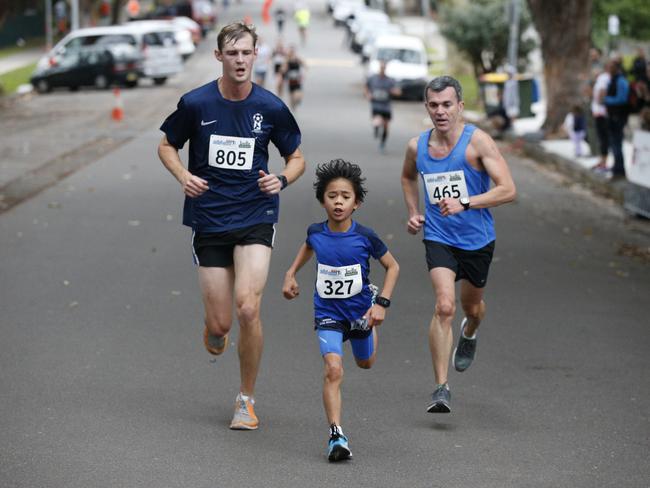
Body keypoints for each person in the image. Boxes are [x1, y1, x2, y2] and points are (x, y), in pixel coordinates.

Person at [157, 22, 306, 431]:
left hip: (256, 215)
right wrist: (182, 175)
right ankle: (214, 328)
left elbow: (297, 157)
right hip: (209, 219)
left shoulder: (272, 108)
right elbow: (167, 144)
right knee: (222, 323)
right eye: (232, 53)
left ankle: (246, 400)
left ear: (256, 54)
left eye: (246, 53)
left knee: (248, 306)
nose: (240, 60)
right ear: (219, 56)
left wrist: (283, 179)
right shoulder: (196, 103)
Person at [400, 76, 516, 414]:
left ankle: (471, 331)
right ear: (427, 107)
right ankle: (441, 387)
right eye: (434, 105)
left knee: (472, 309)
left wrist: (466, 202)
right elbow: (408, 177)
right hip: (438, 237)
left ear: (460, 107)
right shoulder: (416, 147)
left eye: (447, 104)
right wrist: (413, 211)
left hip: (477, 240)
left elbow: (508, 189)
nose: (440, 111)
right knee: (444, 306)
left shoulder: (477, 143)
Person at [282, 159, 399, 462]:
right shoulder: (316, 232)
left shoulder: (365, 236)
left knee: (366, 363)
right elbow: (308, 246)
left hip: (361, 313)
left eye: (345, 197)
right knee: (333, 369)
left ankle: (371, 330)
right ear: (323, 200)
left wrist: (381, 304)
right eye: (332, 195)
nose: (338, 202)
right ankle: (336, 434)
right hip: (328, 314)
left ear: (356, 203)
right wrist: (290, 273)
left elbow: (393, 266)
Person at [365, 60, 402, 152]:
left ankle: (382, 143)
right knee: (377, 120)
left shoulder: (390, 80)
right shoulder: (373, 79)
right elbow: (366, 87)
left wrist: (394, 91)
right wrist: (368, 94)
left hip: (386, 106)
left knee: (386, 126)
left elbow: (398, 92)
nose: (382, 69)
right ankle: (376, 127)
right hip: (376, 105)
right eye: (381, 67)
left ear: (385, 68)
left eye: (384, 67)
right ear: (379, 68)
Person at [604, 58, 630, 180]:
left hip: (618, 117)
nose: (609, 69)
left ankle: (620, 171)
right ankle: (616, 169)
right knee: (614, 144)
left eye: (611, 66)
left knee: (617, 144)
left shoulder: (621, 81)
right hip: (612, 116)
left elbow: (622, 99)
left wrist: (606, 99)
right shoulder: (612, 80)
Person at [591, 62, 611, 171]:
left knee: (603, 138)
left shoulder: (603, 78)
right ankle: (602, 160)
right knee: (602, 138)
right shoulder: (604, 78)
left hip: (601, 113)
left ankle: (604, 162)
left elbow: (602, 92)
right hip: (600, 112)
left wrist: (599, 106)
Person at [282, 45, 306, 111]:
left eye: (293, 51)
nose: (292, 52)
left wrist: (303, 74)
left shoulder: (297, 59)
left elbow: (305, 65)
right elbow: (283, 69)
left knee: (298, 96)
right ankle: (293, 107)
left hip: (297, 80)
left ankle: (296, 102)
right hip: (290, 81)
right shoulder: (287, 60)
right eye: (291, 51)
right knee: (292, 97)